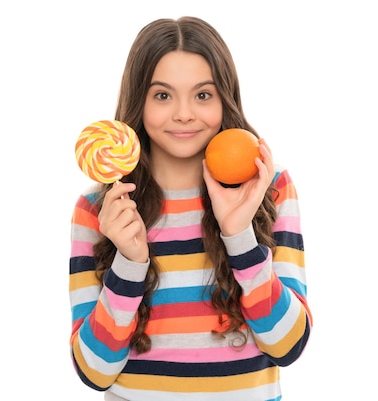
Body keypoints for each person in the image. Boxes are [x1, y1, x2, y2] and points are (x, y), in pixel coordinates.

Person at [69, 16, 312, 401]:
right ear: (139, 101)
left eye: (202, 95)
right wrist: (130, 264)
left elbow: (288, 345)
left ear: (224, 98)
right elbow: (94, 371)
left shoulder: (266, 187)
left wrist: (240, 238)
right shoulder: (100, 209)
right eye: (162, 95)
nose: (184, 113)